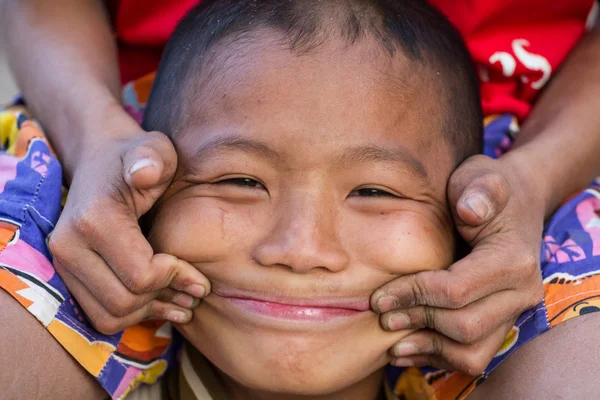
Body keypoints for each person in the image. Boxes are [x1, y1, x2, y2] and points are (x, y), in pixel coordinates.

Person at [1, 0, 600, 398]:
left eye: (373, 191)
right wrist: (94, 136)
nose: (301, 250)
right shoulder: (68, 184)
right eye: (240, 182)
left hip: (534, 156)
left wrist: (536, 176)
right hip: (113, 134)